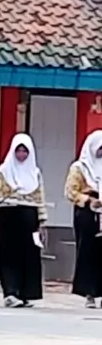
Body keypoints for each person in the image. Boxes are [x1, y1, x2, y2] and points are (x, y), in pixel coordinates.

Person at [0, 133, 47, 308]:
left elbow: (40, 198)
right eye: (18, 151)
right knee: (9, 254)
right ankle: (10, 292)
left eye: (25, 151)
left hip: (29, 217)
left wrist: (43, 221)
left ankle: (26, 293)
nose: (21, 155)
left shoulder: (35, 173)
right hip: (9, 216)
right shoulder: (4, 171)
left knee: (29, 255)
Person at [64, 129, 102, 309]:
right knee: (88, 252)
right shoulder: (79, 168)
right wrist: (89, 201)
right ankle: (89, 293)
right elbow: (70, 191)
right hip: (87, 213)